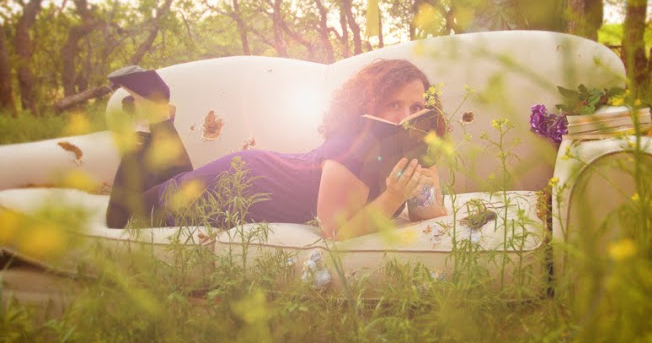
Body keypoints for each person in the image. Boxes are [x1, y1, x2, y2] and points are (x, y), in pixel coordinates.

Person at [105, 59, 447, 240]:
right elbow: (337, 233)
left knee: (178, 179)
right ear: (367, 104)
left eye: (417, 107)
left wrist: (424, 182)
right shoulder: (351, 146)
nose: (406, 116)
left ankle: (157, 110)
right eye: (393, 104)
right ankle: (142, 123)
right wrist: (391, 198)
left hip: (244, 174)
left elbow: (425, 215)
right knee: (124, 217)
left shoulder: (406, 151)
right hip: (238, 184)